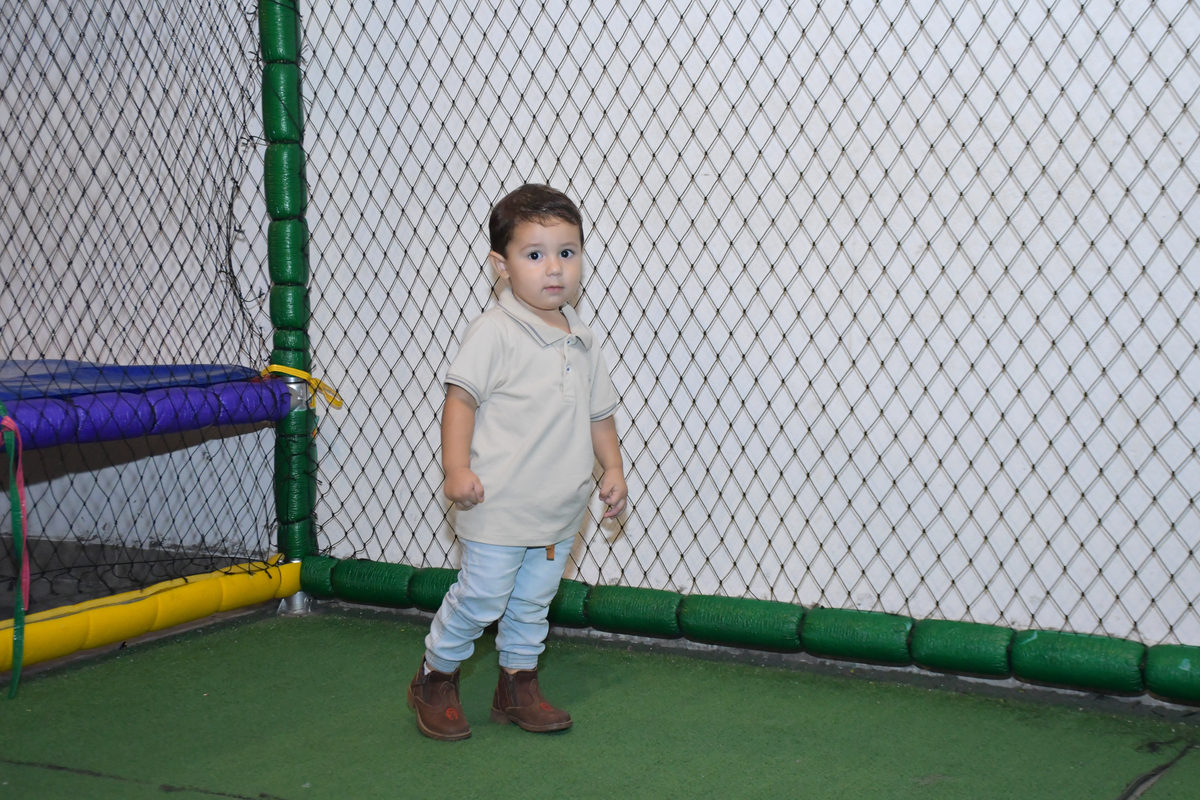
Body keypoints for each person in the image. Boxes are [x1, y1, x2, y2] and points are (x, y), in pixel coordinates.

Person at [407, 183, 627, 741]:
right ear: (501, 266)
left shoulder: (583, 338)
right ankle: (435, 677)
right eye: (534, 254)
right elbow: (460, 401)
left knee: (533, 603)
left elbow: (599, 415)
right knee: (482, 596)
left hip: (558, 509)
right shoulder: (494, 331)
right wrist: (456, 469)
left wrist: (613, 470)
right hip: (498, 504)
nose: (554, 268)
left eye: (566, 252)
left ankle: (517, 684)